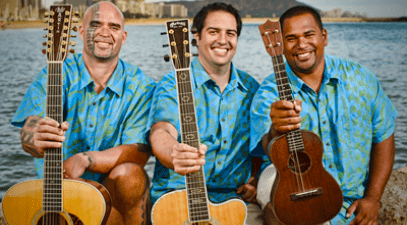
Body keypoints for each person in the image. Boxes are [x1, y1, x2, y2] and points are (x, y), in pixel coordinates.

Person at [250, 5, 398, 225]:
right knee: (280, 209)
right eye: (291, 38)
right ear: (280, 45)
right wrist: (275, 129)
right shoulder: (268, 93)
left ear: (324, 37)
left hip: (350, 204)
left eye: (309, 34)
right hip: (292, 193)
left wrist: (373, 198)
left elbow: (384, 136)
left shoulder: (360, 80)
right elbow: (266, 148)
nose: (302, 44)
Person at [11, 2, 155, 224]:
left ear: (123, 37)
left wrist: (87, 159)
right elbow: (29, 130)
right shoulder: (55, 74)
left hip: (110, 195)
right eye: (95, 25)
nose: (104, 33)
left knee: (132, 176)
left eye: (114, 27)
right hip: (57, 194)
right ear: (80, 31)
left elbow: (138, 152)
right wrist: (35, 136)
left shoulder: (141, 85)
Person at [148, 2, 264, 224]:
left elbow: (262, 146)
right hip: (177, 198)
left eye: (230, 33)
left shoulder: (252, 89)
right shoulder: (173, 83)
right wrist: (175, 154)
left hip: (234, 202)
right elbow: (161, 131)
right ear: (196, 37)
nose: (222, 40)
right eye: (213, 32)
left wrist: (256, 180)